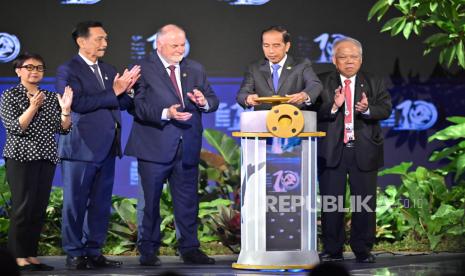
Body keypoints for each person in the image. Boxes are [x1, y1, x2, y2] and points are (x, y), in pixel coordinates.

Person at [125, 24, 219, 266]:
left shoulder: (195, 68)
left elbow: (213, 99)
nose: (180, 49)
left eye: (182, 44)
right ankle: (148, 250)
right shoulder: (142, 68)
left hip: (186, 144)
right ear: (159, 45)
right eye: (174, 45)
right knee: (150, 202)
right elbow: (137, 106)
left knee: (187, 201)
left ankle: (189, 248)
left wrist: (203, 101)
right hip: (154, 144)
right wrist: (167, 112)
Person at [55, 21, 140, 270]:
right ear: (82, 41)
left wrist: (128, 92)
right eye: (99, 39)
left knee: (101, 203)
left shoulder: (108, 68)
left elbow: (118, 103)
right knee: (76, 203)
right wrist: (115, 91)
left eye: (106, 39)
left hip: (107, 146)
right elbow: (78, 104)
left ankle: (94, 251)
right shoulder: (67, 70)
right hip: (81, 147)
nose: (105, 43)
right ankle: (74, 253)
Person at [316, 37, 392, 263]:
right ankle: (332, 248)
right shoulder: (321, 82)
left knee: (364, 203)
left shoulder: (374, 81)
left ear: (361, 59)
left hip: (364, 149)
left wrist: (368, 109)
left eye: (354, 57)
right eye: (344, 57)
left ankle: (362, 248)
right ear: (334, 59)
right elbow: (311, 111)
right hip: (332, 150)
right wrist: (334, 106)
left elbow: (385, 108)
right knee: (332, 203)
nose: (349, 61)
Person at [0, 53, 73, 271]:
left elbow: (62, 128)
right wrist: (32, 107)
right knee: (22, 207)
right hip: (21, 157)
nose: (34, 71)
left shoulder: (50, 97)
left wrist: (66, 111)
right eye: (29, 67)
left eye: (39, 68)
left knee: (38, 209)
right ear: (18, 70)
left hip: (46, 156)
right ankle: (16, 256)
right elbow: (15, 127)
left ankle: (31, 254)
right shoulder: (10, 95)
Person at [236, 25, 322, 110]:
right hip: (263, 120)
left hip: (294, 118)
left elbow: (315, 84)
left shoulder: (301, 65)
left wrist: (304, 95)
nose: (271, 51)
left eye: (276, 45)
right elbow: (242, 94)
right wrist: (247, 98)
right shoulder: (254, 68)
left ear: (287, 46)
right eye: (266, 46)